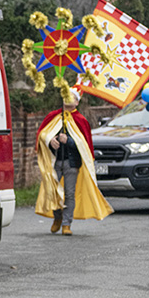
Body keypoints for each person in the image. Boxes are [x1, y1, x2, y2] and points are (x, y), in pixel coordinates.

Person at [35, 88, 113, 235]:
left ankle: (66, 224)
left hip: (71, 163)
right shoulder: (53, 116)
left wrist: (68, 141)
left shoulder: (81, 120)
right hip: (55, 161)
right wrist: (50, 140)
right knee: (53, 191)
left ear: (77, 102)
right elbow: (42, 134)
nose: (68, 98)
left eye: (72, 97)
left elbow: (84, 145)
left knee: (69, 193)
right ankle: (57, 217)